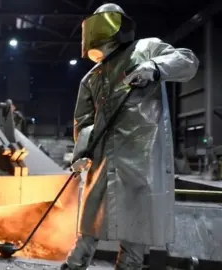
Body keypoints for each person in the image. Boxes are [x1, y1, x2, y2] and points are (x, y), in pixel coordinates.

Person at [62, 3, 199, 270]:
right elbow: (84, 121)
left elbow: (187, 60)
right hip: (103, 160)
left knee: (137, 228)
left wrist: (155, 67)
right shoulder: (92, 77)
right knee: (90, 221)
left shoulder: (147, 49)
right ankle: (74, 265)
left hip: (141, 157)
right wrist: (81, 153)